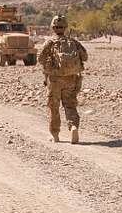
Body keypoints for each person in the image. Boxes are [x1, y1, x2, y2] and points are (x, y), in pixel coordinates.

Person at [38, 15, 88, 144]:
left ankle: (55, 135)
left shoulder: (50, 42)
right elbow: (85, 57)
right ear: (65, 28)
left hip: (54, 80)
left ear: (53, 28)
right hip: (71, 80)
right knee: (70, 105)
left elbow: (40, 59)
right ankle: (73, 127)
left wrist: (49, 65)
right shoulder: (74, 42)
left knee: (53, 107)